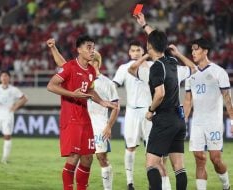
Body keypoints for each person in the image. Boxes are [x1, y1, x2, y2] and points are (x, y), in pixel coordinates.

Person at [47, 38, 120, 190]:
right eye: (89, 47)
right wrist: (72, 94)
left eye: (93, 48)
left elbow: (91, 90)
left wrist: (102, 102)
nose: (92, 50)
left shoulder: (91, 71)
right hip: (71, 116)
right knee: (74, 157)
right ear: (79, 50)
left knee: (87, 158)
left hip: (85, 117)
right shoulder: (70, 67)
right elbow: (51, 86)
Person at [135, 13, 188, 190]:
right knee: (179, 168)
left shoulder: (156, 67)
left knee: (151, 164)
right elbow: (159, 41)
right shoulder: (172, 61)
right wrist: (144, 25)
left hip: (164, 119)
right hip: (179, 120)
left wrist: (150, 110)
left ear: (149, 45)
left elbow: (159, 94)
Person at [113, 40, 171, 190]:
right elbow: (114, 85)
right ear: (129, 53)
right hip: (131, 111)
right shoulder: (124, 68)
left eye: (138, 50)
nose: (136, 53)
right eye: (133, 50)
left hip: (149, 111)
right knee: (130, 147)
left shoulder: (153, 66)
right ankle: (130, 183)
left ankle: (154, 184)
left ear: (143, 51)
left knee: (152, 150)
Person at [183, 38, 232, 190]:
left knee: (215, 159)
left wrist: (232, 121)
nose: (193, 53)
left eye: (196, 49)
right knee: (199, 158)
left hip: (214, 123)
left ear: (205, 51)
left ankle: (226, 185)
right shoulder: (191, 74)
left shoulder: (219, 72)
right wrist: (183, 120)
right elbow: (187, 101)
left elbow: (227, 98)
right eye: (191, 50)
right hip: (197, 123)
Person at [0, 70, 28, 164]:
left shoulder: (13, 89)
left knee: (7, 136)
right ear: (0, 78)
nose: (4, 78)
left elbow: (24, 98)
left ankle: (4, 159)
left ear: (9, 78)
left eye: (6, 76)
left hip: (8, 115)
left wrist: (15, 106)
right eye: (2, 76)